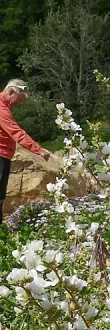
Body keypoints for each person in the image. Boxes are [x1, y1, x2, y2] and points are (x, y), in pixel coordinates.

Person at [0, 79, 51, 224]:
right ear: (11, 92)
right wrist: (38, 150)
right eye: (19, 99)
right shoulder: (1, 108)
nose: (19, 103)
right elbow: (16, 133)